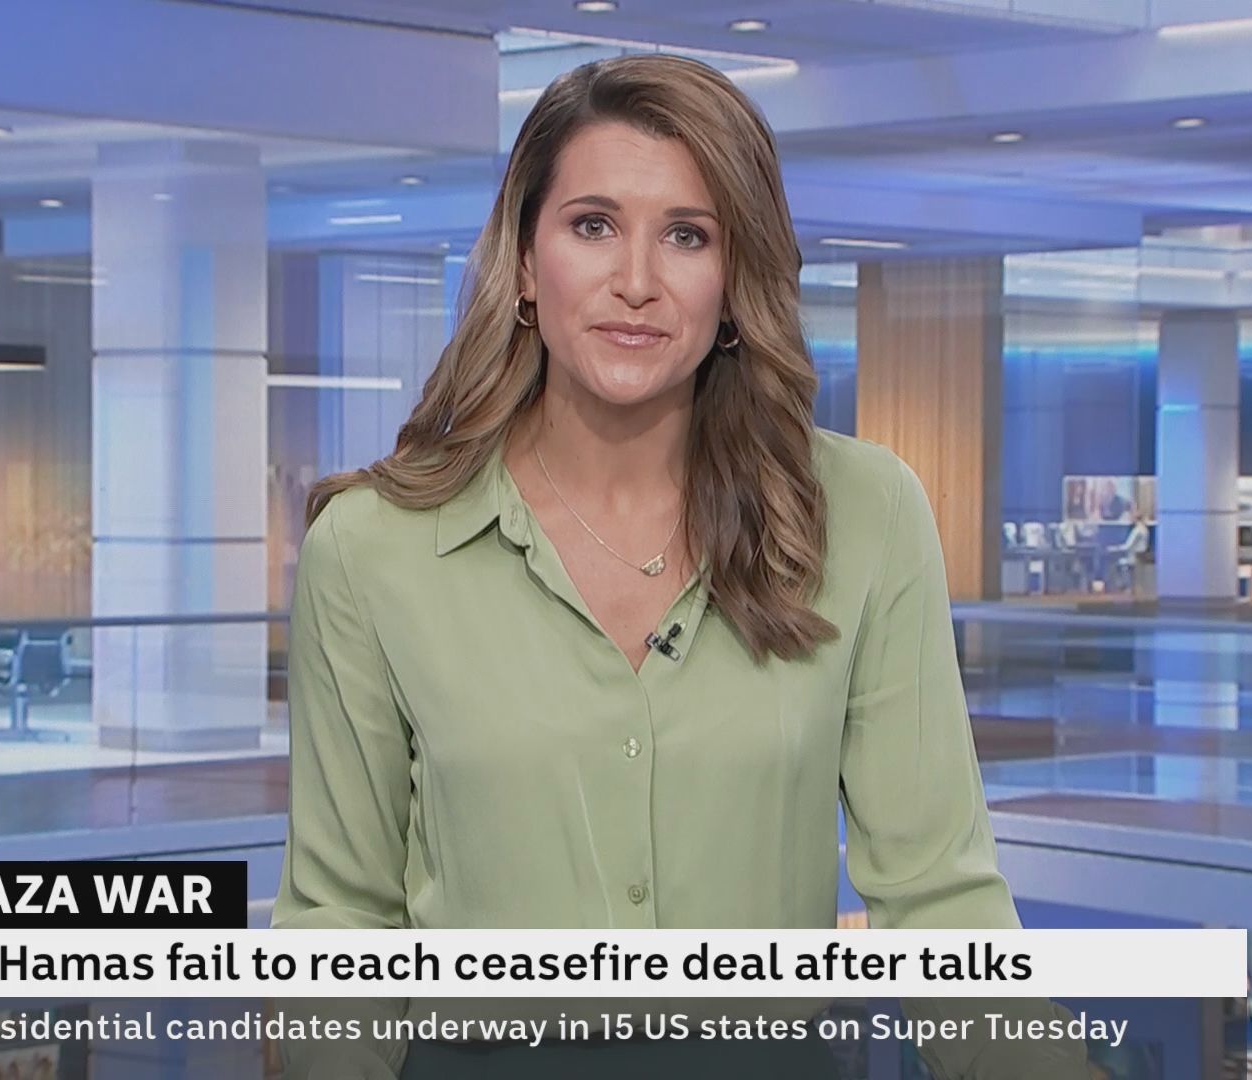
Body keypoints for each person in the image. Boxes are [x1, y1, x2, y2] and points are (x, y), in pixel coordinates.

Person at [270, 54, 1085, 1079]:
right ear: (524, 263)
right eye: (593, 225)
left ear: (735, 280)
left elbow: (941, 899)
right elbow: (340, 922)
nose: (637, 282)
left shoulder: (865, 515)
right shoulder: (372, 547)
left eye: (687, 235)